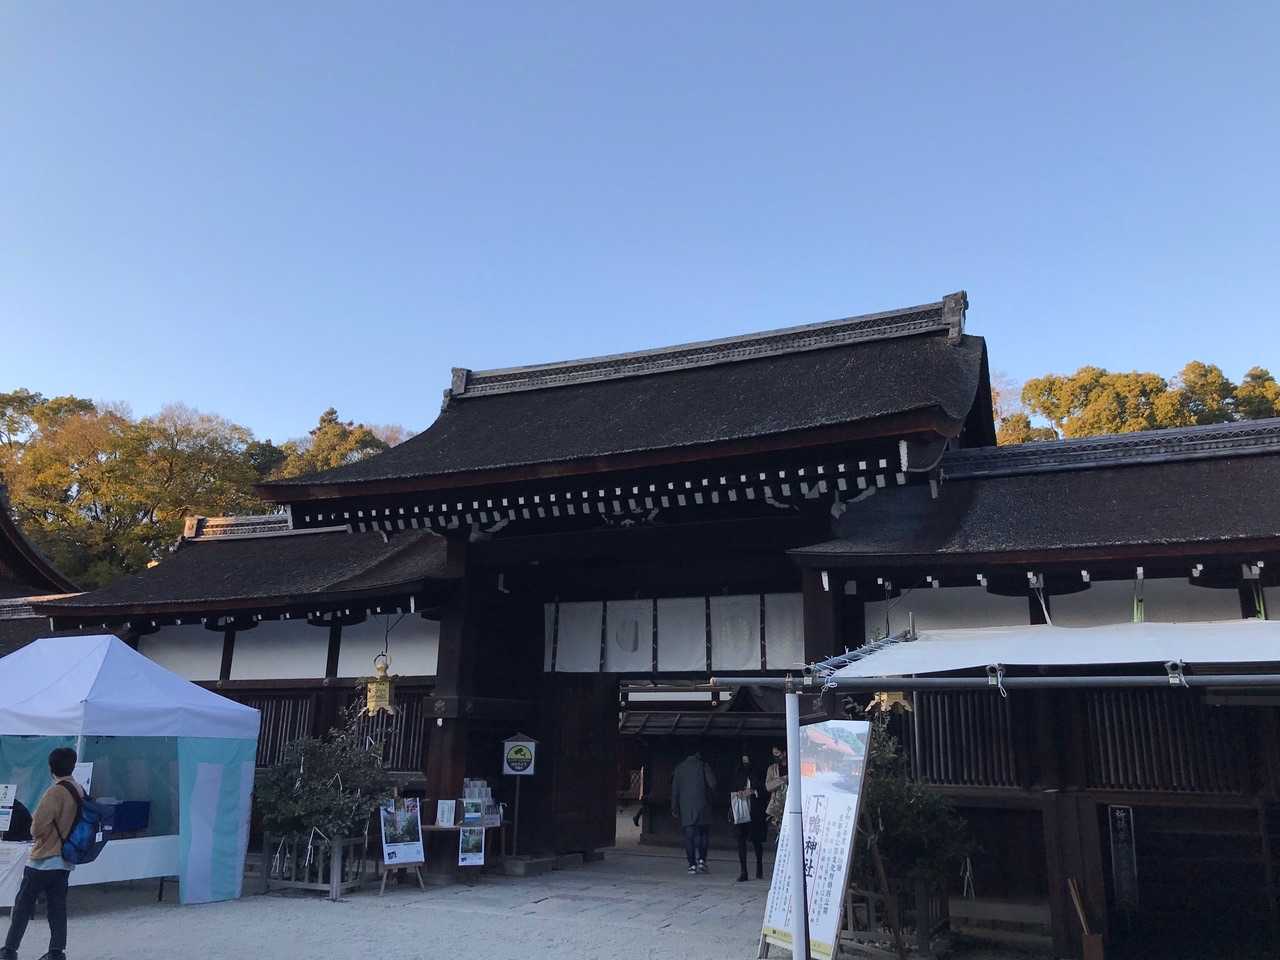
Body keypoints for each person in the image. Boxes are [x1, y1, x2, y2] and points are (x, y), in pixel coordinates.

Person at [1, 747, 83, 960]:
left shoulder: (55, 792)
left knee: (23, 904)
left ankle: (9, 950)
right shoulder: (79, 790)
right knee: (57, 907)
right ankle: (56, 952)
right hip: (65, 858)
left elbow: (36, 827)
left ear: (51, 767)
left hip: (44, 858)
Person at [670, 746, 716, 875]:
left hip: (686, 807)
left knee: (689, 837)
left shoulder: (679, 768)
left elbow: (675, 791)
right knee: (703, 834)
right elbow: (713, 784)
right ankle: (702, 861)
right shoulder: (703, 766)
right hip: (703, 805)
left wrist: (674, 807)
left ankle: (692, 865)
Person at [729, 753, 767, 882]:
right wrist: (739, 793)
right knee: (741, 840)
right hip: (742, 809)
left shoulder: (758, 772)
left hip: (755, 810)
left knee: (756, 840)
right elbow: (733, 787)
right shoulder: (738, 772)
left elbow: (764, 789)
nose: (745, 763)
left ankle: (759, 866)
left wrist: (753, 791)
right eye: (743, 761)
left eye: (747, 761)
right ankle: (743, 871)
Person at [764, 744, 788, 832]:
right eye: (773, 754)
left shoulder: (793, 766)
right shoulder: (772, 768)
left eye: (777, 753)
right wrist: (784, 779)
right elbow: (768, 787)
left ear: (784, 753)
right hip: (776, 807)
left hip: (790, 805)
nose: (775, 756)